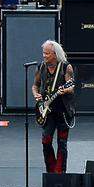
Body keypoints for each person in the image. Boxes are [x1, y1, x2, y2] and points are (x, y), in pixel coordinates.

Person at [32, 41, 76, 174]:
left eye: (47, 53)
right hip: (47, 112)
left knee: (62, 144)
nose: (44, 56)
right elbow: (35, 85)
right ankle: (50, 172)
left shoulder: (66, 67)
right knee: (46, 141)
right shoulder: (41, 67)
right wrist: (36, 94)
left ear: (55, 54)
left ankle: (60, 173)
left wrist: (65, 91)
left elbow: (72, 87)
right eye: (43, 53)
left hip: (63, 111)